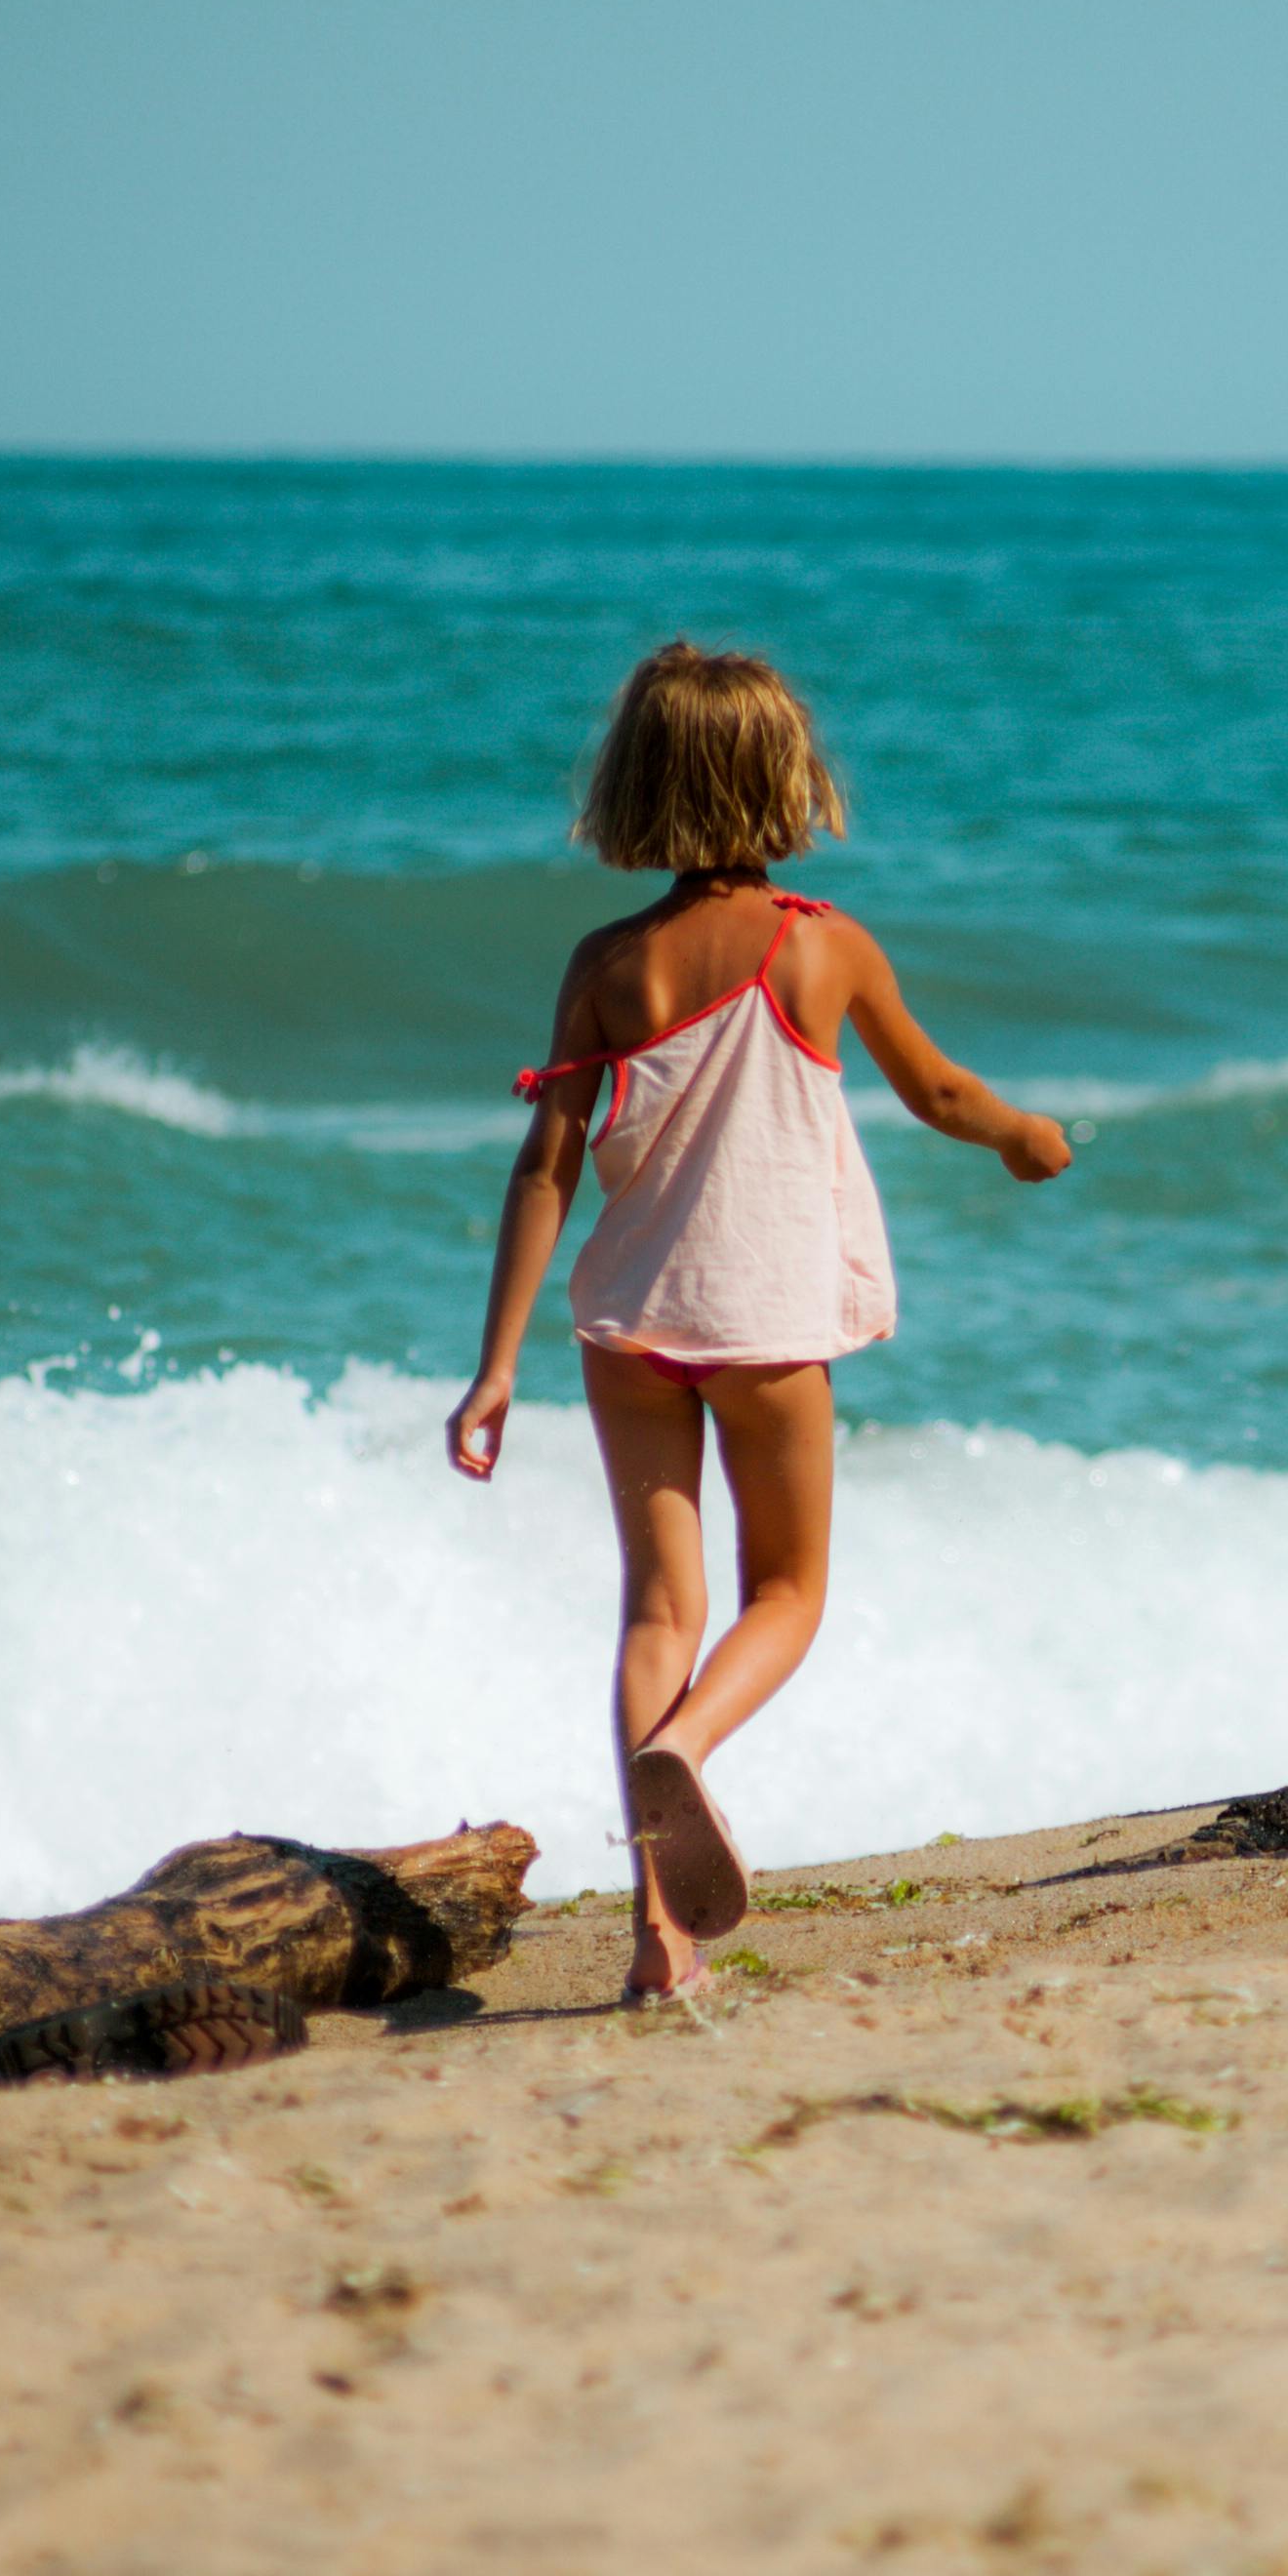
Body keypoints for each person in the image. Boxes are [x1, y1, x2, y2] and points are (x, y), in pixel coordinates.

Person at [448, 644, 1071, 2003]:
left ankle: (655, 1942)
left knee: (655, 1614)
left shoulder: (607, 963)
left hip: (628, 1328)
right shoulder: (821, 945)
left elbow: (544, 1167)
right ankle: (694, 1753)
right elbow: (942, 1094)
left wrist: (494, 1368)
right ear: (786, 778)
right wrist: (1024, 1135)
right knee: (786, 1594)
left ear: (636, 789)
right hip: (767, 1328)